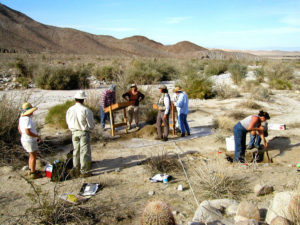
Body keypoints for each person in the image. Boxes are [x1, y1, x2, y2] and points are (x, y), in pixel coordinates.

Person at [66, 90, 95, 177]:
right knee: (84, 152)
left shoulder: (70, 110)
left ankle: (76, 169)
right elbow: (91, 125)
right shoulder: (86, 110)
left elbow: (68, 121)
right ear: (83, 99)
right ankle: (85, 171)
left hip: (74, 132)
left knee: (76, 151)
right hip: (83, 132)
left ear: (76, 99)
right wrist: (90, 128)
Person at [18, 102, 42, 179]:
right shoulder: (27, 119)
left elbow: (19, 128)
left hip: (25, 139)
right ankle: (33, 173)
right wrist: (37, 136)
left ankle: (31, 169)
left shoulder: (21, 118)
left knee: (31, 155)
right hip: (30, 140)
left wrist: (23, 135)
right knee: (33, 156)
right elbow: (28, 131)